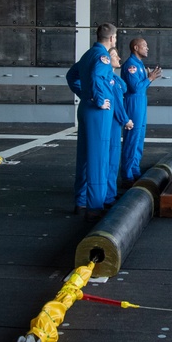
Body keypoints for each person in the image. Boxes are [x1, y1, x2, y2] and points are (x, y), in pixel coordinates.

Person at [75, 23, 118, 221]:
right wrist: (99, 100)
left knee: (84, 157)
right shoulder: (104, 57)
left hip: (85, 107)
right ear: (112, 39)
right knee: (99, 158)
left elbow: (71, 76)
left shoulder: (87, 54)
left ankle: (81, 201)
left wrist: (85, 95)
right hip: (97, 113)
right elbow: (96, 76)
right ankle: (95, 207)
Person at [121, 38, 162, 184]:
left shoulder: (139, 64)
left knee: (138, 139)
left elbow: (141, 87)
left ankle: (135, 170)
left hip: (140, 103)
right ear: (136, 48)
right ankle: (127, 175)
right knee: (132, 139)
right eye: (145, 46)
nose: (147, 48)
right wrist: (149, 78)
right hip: (133, 104)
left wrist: (149, 79)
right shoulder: (131, 65)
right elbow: (135, 88)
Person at [106, 47, 133, 207]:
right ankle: (108, 196)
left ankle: (109, 193)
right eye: (115, 55)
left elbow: (124, 87)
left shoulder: (113, 78)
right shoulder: (110, 79)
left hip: (113, 123)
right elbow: (117, 102)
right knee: (111, 160)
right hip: (113, 124)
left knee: (111, 160)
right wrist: (126, 120)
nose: (119, 58)